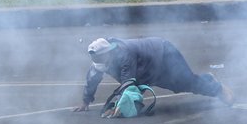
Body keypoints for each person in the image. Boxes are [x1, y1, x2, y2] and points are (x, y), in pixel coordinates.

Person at [72, 37, 233, 112]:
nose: (97, 61)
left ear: (109, 53)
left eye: (99, 57)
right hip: (149, 69)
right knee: (177, 86)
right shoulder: (101, 60)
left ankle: (218, 89)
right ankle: (208, 80)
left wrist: (121, 107)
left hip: (163, 54)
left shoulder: (123, 55)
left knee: (186, 81)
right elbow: (93, 79)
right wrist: (86, 102)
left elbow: (129, 84)